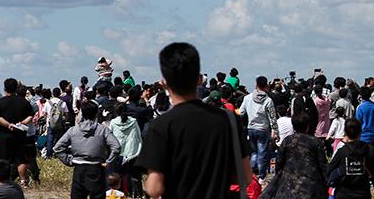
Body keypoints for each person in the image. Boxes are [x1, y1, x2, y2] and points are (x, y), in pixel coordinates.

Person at [136, 43, 253, 199]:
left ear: (164, 83)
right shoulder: (229, 120)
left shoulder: (160, 126)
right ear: (199, 80)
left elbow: (154, 188)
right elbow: (244, 177)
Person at [53, 100, 122, 199]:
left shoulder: (73, 130)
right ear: (96, 113)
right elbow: (116, 147)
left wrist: (69, 160)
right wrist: (108, 161)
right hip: (97, 168)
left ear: (82, 113)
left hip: (79, 169)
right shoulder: (102, 129)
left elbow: (57, 148)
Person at [264, 111, 328, 199]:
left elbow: (279, 161)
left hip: (288, 183)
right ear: (308, 126)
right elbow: (323, 164)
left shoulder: (287, 140)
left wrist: (279, 175)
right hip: (311, 185)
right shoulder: (315, 142)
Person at [0, 78, 35, 186]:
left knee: (3, 160)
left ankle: (3, 181)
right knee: (21, 159)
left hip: (4, 135)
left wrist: (8, 125)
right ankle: (23, 181)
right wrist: (23, 122)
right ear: (16, 88)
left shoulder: (0, 102)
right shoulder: (23, 101)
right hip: (20, 134)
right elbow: (31, 115)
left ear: (5, 88)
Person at [327, 117, 374, 199]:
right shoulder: (368, 150)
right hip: (362, 193)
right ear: (360, 132)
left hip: (343, 193)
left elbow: (330, 170)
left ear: (345, 132)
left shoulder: (342, 151)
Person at [239, 76, 279, 181]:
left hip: (251, 128)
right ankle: (261, 176)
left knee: (253, 152)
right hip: (263, 129)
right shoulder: (268, 100)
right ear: (266, 86)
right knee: (262, 152)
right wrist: (275, 131)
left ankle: (252, 173)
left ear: (256, 84)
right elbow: (273, 118)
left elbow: (241, 112)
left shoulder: (247, 98)